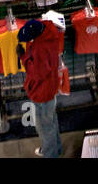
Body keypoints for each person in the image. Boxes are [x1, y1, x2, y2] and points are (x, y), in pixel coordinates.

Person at [19, 17, 64, 157]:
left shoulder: (40, 48)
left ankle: (50, 154)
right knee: (51, 121)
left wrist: (24, 57)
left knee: (45, 127)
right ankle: (56, 148)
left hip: (42, 92)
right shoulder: (49, 33)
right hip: (50, 88)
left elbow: (37, 74)